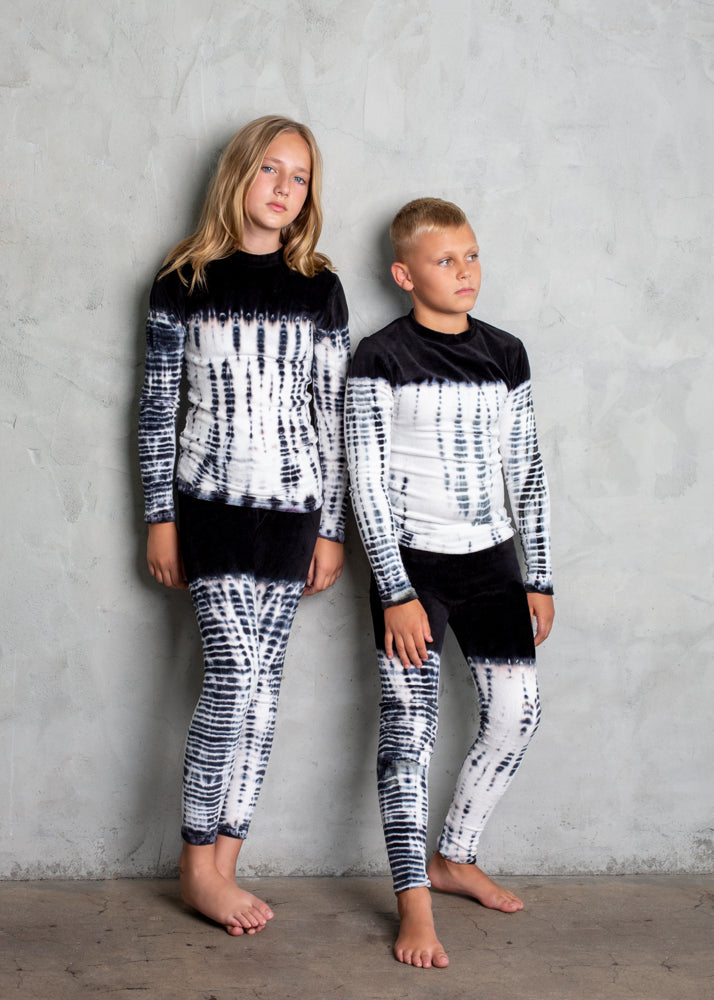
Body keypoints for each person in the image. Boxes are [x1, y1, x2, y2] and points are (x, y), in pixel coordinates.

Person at [138, 115, 350, 936]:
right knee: (232, 676)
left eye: (300, 177)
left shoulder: (319, 286)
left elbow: (332, 417)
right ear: (237, 173)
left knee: (263, 691)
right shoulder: (182, 277)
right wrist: (160, 518)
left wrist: (331, 528)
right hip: (210, 508)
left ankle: (227, 860)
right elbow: (157, 407)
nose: (284, 187)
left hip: (293, 514)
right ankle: (197, 866)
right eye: (270, 169)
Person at [345, 197, 554, 969]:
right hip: (414, 570)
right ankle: (414, 904)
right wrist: (397, 592)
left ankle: (455, 855)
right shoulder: (380, 357)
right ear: (405, 275)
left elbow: (525, 469)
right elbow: (364, 484)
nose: (464, 271)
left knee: (517, 714)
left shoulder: (505, 352)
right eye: (444, 260)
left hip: (493, 564)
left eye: (471, 255)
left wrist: (539, 574)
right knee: (410, 735)